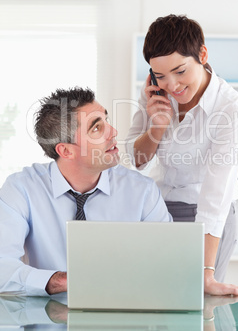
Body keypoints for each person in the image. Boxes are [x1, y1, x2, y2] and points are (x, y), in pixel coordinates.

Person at [126, 14, 238, 296]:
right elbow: (137, 160)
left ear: (202, 54)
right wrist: (157, 127)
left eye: (180, 71)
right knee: (158, 306)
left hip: (207, 217)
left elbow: (216, 193)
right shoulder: (155, 93)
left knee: (199, 301)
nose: (172, 85)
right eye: (160, 75)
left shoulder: (229, 106)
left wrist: (205, 273)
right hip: (159, 210)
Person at [0, 87, 171, 296]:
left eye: (106, 120)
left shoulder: (142, 192)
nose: (113, 132)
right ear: (66, 150)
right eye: (97, 128)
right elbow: (2, 267)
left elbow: (168, 265)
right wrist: (60, 282)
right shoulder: (22, 189)